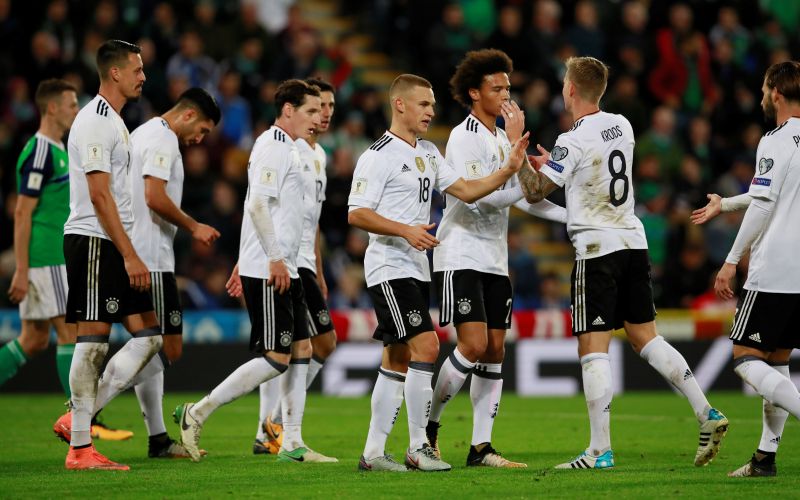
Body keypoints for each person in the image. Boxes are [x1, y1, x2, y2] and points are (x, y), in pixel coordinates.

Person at [516, 56, 728, 470]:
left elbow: (535, 193)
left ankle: (599, 451)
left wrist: (519, 154)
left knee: (592, 347)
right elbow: (592, 171)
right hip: (632, 241)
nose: (562, 88)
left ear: (572, 90)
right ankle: (706, 412)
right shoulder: (623, 125)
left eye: (564, 82)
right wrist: (558, 165)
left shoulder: (571, 139)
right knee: (645, 337)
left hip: (597, 250)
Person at [350, 74, 530, 472]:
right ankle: (419, 447)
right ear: (399, 105)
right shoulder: (377, 155)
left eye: (432, 104)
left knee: (397, 357)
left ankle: (374, 453)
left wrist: (510, 168)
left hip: (416, 265)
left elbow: (466, 191)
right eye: (423, 104)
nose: (431, 111)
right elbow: (356, 212)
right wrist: (405, 229)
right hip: (388, 264)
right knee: (427, 347)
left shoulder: (429, 152)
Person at [173, 79, 329, 463]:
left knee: (302, 348)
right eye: (310, 110)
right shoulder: (272, 146)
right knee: (276, 358)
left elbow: (276, 212)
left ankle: (291, 442)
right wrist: (271, 258)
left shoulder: (291, 150)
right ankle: (198, 411)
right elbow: (256, 205)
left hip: (285, 264)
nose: (318, 117)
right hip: (271, 268)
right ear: (288, 110)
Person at [427, 49, 566, 469]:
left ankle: (481, 448)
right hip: (461, 251)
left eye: (509, 87)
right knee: (471, 345)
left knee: (494, 351)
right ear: (474, 92)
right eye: (497, 88)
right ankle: (429, 429)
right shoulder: (464, 135)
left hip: (493, 257)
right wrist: (516, 168)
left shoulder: (500, 138)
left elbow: (525, 196)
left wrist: (574, 218)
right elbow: (477, 199)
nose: (507, 95)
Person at [52, 39, 161, 471]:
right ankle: (80, 448)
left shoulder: (114, 121)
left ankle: (76, 415)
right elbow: (99, 195)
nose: (143, 76)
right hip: (95, 240)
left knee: (149, 335)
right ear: (115, 73)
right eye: (137, 69)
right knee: (93, 340)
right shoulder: (96, 121)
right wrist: (131, 254)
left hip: (112, 244)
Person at [710, 60, 800, 478]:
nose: (763, 96)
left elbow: (765, 203)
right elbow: (771, 193)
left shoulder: (775, 140)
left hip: (775, 268)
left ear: (777, 93)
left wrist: (730, 261)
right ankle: (765, 459)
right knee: (776, 361)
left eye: (766, 89)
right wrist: (725, 204)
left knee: (746, 359)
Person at [124, 87, 221, 458]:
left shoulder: (142, 133)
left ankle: (158, 439)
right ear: (188, 115)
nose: (200, 139)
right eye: (203, 131)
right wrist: (193, 225)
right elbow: (154, 196)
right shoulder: (164, 138)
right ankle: (86, 406)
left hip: (136, 250)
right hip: (151, 257)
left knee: (148, 343)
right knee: (167, 346)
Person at [249, 78, 339, 458]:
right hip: (283, 259)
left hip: (303, 259)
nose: (325, 114)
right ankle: (270, 427)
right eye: (318, 107)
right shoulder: (288, 148)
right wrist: (250, 257)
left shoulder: (319, 156)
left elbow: (310, 218)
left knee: (320, 342)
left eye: (329, 107)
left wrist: (318, 265)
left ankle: (278, 426)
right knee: (287, 346)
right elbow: (259, 205)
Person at [3, 79, 78, 396]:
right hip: (47, 256)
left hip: (47, 257)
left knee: (33, 340)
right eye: (72, 104)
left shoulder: (59, 149)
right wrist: (21, 269)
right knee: (70, 333)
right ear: (52, 108)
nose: (77, 110)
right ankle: (81, 421)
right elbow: (22, 212)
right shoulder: (40, 152)